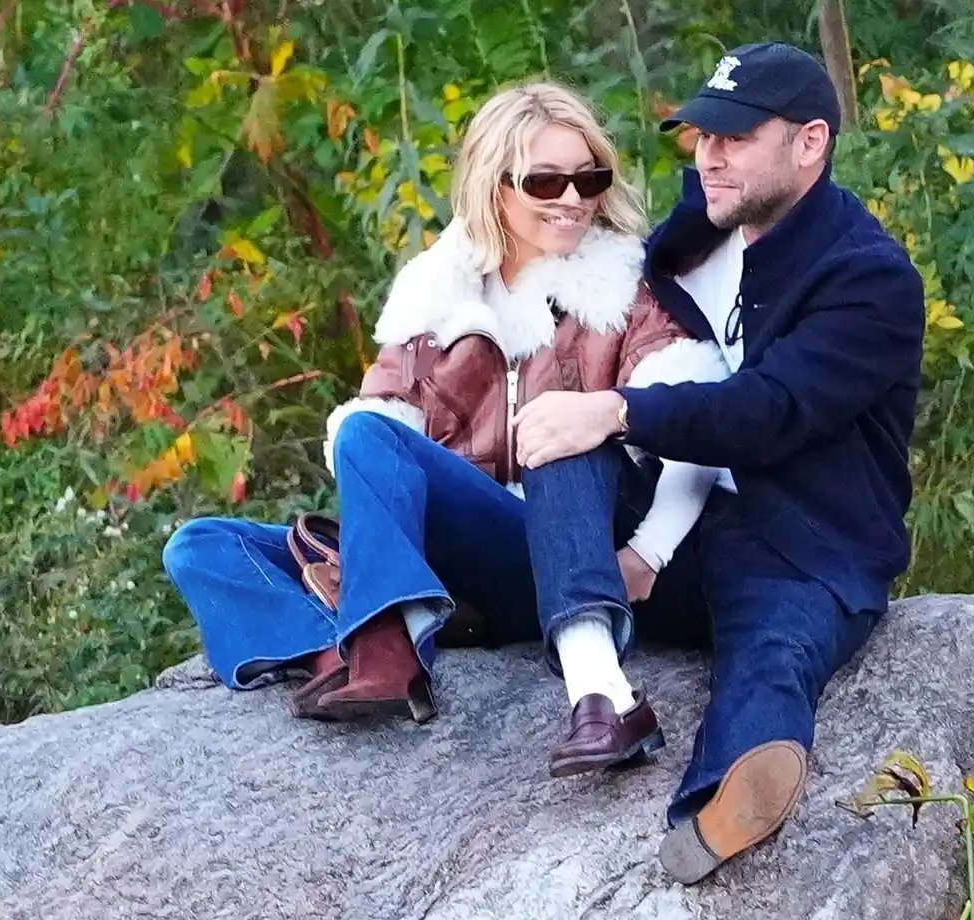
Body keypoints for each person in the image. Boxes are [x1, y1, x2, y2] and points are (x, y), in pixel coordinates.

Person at [161, 81, 728, 776]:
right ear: (495, 186)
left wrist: (647, 554)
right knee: (202, 546)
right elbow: (375, 453)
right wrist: (373, 544)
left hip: (571, 554)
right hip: (461, 559)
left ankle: (392, 644)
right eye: (546, 180)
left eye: (590, 178)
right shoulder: (436, 299)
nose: (573, 198)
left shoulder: (624, 291)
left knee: (515, 430)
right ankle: (344, 648)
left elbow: (701, 428)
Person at [511, 42, 926, 883]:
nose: (710, 155)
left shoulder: (868, 277)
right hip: (678, 517)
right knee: (563, 432)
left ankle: (721, 804)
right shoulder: (698, 229)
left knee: (774, 654)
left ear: (810, 143)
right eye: (704, 135)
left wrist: (621, 408)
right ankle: (596, 689)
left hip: (802, 543)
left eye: (736, 137)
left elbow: (767, 411)